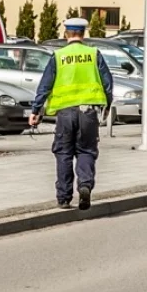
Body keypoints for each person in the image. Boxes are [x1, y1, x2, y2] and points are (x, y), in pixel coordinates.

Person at [28, 18, 113, 211]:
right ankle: (84, 185)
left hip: (65, 114)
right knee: (86, 151)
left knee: (64, 153)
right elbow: (107, 82)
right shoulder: (93, 54)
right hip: (88, 112)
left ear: (66, 33)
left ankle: (64, 198)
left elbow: (45, 85)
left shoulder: (58, 56)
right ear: (83, 34)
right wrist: (107, 104)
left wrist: (36, 110)